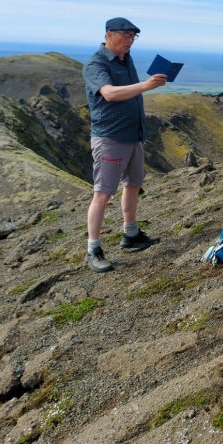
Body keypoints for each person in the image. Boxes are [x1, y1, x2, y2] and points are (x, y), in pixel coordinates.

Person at [81, 18, 166, 272]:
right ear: (109, 35)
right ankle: (93, 249)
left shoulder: (124, 59)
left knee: (134, 184)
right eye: (126, 35)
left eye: (133, 36)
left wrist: (147, 85)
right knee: (103, 193)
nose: (130, 40)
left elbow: (128, 92)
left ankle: (131, 234)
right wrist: (146, 86)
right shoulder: (96, 64)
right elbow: (109, 93)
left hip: (133, 136)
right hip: (110, 138)